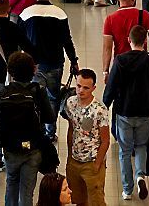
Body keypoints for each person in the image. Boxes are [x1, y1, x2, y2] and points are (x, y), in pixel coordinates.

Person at [103, 25, 149, 201]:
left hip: (124, 112)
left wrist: (105, 105)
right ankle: (140, 175)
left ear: (129, 41)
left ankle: (127, 189)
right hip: (145, 111)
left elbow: (111, 86)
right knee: (141, 146)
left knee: (125, 151)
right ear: (145, 42)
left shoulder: (120, 60)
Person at [0, 51, 55, 206]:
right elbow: (49, 118)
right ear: (33, 70)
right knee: (27, 191)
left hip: (10, 147)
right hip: (32, 148)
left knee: (11, 183)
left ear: (11, 71)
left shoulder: (4, 93)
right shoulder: (38, 91)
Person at [20, 0, 80, 137]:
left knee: (33, 98)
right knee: (53, 98)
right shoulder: (60, 14)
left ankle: (36, 130)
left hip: (32, 66)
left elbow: (19, 41)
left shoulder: (26, 14)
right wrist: (74, 61)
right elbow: (67, 40)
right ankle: (50, 132)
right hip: (55, 64)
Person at [63, 70, 110, 206]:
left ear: (93, 88)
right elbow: (72, 129)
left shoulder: (100, 110)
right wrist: (70, 156)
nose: (80, 90)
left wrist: (97, 164)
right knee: (77, 200)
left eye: (86, 88)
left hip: (92, 162)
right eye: (78, 86)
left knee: (96, 201)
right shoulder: (70, 103)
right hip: (74, 161)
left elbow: (105, 140)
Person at [102, 0, 149, 75]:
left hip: (121, 64)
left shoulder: (110, 19)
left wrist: (105, 71)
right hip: (141, 62)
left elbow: (107, 48)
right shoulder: (144, 15)